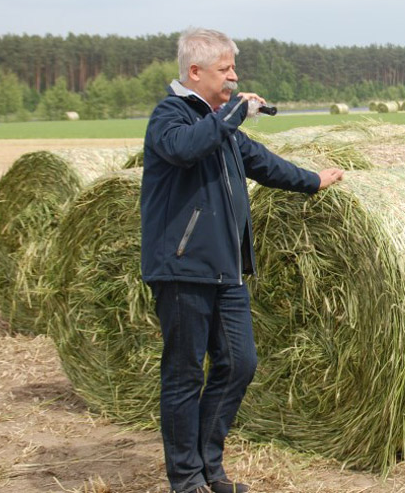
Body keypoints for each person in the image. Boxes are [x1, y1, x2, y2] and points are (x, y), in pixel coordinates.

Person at [140, 28, 343, 493]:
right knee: (184, 374)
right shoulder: (170, 115)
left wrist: (313, 179)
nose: (234, 77)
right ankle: (186, 478)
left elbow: (265, 163)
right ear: (195, 72)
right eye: (225, 69)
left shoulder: (221, 124)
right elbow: (184, 148)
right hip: (182, 269)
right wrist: (233, 113)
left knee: (239, 363)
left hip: (227, 271)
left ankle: (211, 465)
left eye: (233, 69)